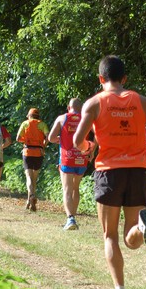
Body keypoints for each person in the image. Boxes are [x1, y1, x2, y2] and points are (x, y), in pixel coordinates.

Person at [73, 55, 146, 289]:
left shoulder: (94, 103)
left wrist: (88, 147)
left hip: (109, 172)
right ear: (125, 78)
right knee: (132, 239)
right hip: (138, 171)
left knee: (110, 236)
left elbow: (77, 140)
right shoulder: (141, 101)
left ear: (100, 78)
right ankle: (141, 224)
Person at [48, 98, 92, 230]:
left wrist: (61, 140)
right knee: (75, 188)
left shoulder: (62, 118)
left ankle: (70, 219)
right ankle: (73, 216)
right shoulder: (87, 118)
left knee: (67, 188)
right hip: (82, 157)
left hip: (67, 158)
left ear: (68, 107)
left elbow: (50, 138)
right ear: (81, 108)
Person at [16, 107, 49, 212]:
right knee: (34, 178)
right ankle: (28, 201)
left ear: (29, 115)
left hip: (27, 151)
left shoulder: (25, 124)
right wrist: (43, 145)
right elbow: (48, 137)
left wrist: (25, 140)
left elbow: (17, 138)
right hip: (39, 152)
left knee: (28, 177)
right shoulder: (42, 124)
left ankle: (32, 196)